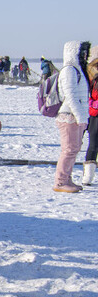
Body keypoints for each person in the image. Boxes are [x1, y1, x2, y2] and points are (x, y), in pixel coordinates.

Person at [53, 40, 91, 192]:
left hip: (75, 116)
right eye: (82, 52)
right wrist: (80, 116)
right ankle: (60, 182)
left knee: (74, 149)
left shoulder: (77, 69)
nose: (84, 55)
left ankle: (67, 178)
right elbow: (70, 95)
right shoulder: (69, 70)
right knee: (69, 149)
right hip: (69, 115)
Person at [82, 50, 98, 185]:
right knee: (93, 145)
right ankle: (87, 176)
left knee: (93, 145)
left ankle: (88, 177)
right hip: (95, 115)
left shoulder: (89, 77)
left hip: (93, 115)